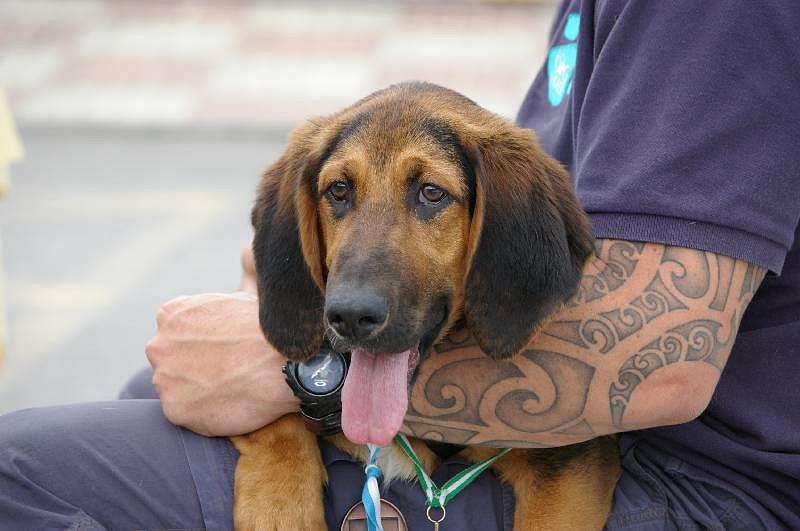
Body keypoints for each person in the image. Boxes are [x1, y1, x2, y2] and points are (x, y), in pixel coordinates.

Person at [1, 1, 798, 529]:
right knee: (155, 389)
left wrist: (294, 377)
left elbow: (659, 367)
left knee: (18, 470)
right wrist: (278, 422)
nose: (361, 262)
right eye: (340, 195)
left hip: (688, 486)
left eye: (430, 196)